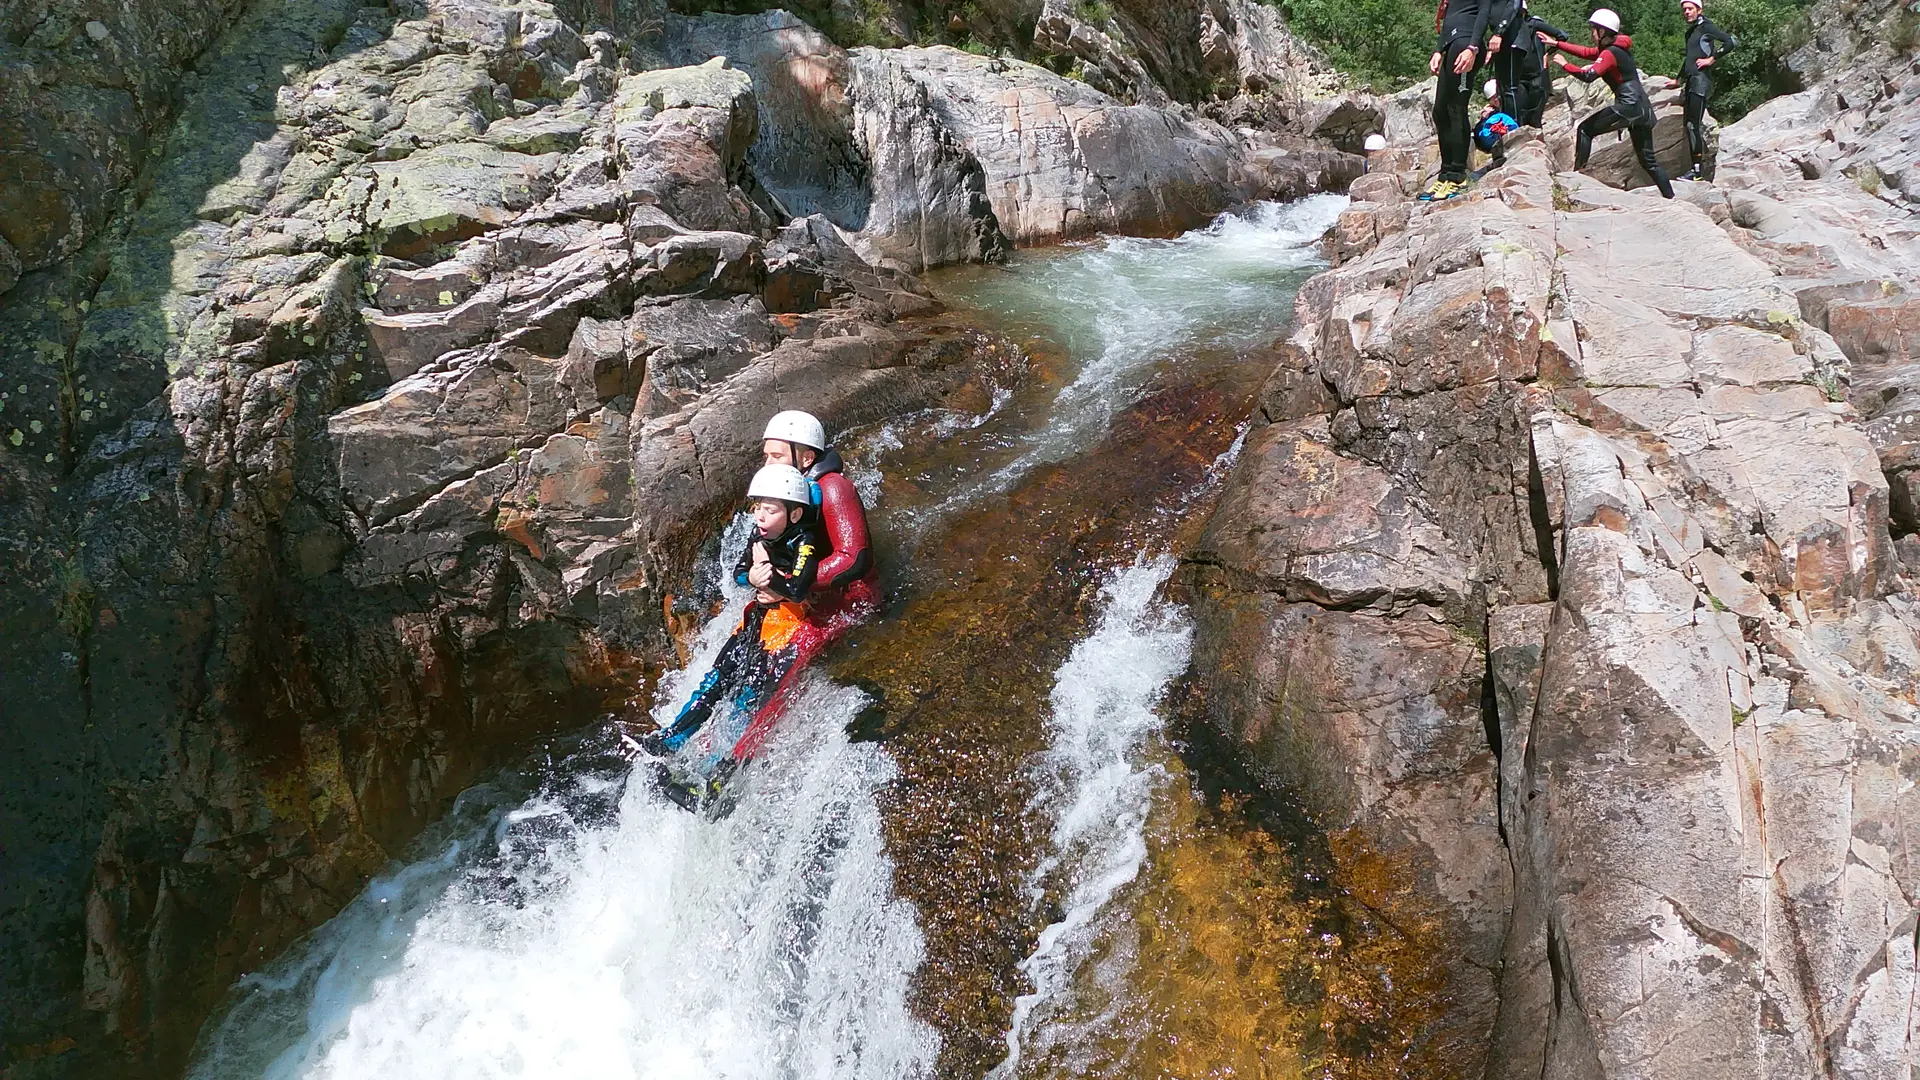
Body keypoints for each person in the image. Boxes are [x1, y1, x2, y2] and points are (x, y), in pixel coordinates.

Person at [644, 464, 826, 766]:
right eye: (758, 508)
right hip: (754, 619)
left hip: (784, 630)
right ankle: (670, 740)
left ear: (794, 515)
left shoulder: (804, 541)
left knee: (749, 697)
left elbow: (797, 588)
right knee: (715, 680)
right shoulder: (757, 535)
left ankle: (718, 764)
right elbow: (740, 573)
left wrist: (769, 576)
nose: (760, 516)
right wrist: (754, 578)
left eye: (770, 510)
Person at [759, 410, 878, 624]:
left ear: (806, 458)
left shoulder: (833, 488)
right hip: (798, 586)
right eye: (766, 456)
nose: (768, 465)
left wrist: (787, 584)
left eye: (777, 457)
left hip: (846, 596)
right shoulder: (779, 490)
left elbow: (854, 560)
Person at [1543, 9, 1676, 199]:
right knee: (1649, 161)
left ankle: (1575, 177)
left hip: (1628, 107)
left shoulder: (1610, 52)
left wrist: (1565, 65)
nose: (1592, 33)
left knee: (1585, 129)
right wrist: (1557, 44)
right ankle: (1671, 198)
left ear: (1603, 32)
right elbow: (1588, 52)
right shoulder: (1615, 49)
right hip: (1642, 109)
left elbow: (1588, 76)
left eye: (1594, 29)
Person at [1422, 0, 1493, 201]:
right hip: (1452, 45)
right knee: (1440, 111)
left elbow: (1484, 13)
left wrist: (1473, 47)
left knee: (1456, 108)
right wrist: (1438, 50)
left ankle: (1458, 175)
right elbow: (1449, 19)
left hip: (1466, 45)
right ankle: (1445, 174)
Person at [1677, 0, 1737, 180]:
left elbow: (1731, 41)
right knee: (1689, 125)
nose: (1687, 12)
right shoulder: (1691, 31)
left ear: (1699, 10)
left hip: (1701, 81)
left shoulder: (1706, 27)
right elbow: (1689, 59)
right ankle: (1696, 169)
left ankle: (1697, 172)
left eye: (1690, 9)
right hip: (1691, 81)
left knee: (1692, 125)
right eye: (1684, 9)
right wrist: (1677, 79)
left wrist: (1712, 59)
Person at [1486, 0, 1566, 127]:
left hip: (1534, 80)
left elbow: (1562, 36)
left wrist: (1548, 53)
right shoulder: (1518, 30)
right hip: (1529, 80)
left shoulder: (1533, 24)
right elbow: (1562, 35)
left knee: (1528, 121)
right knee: (1530, 122)